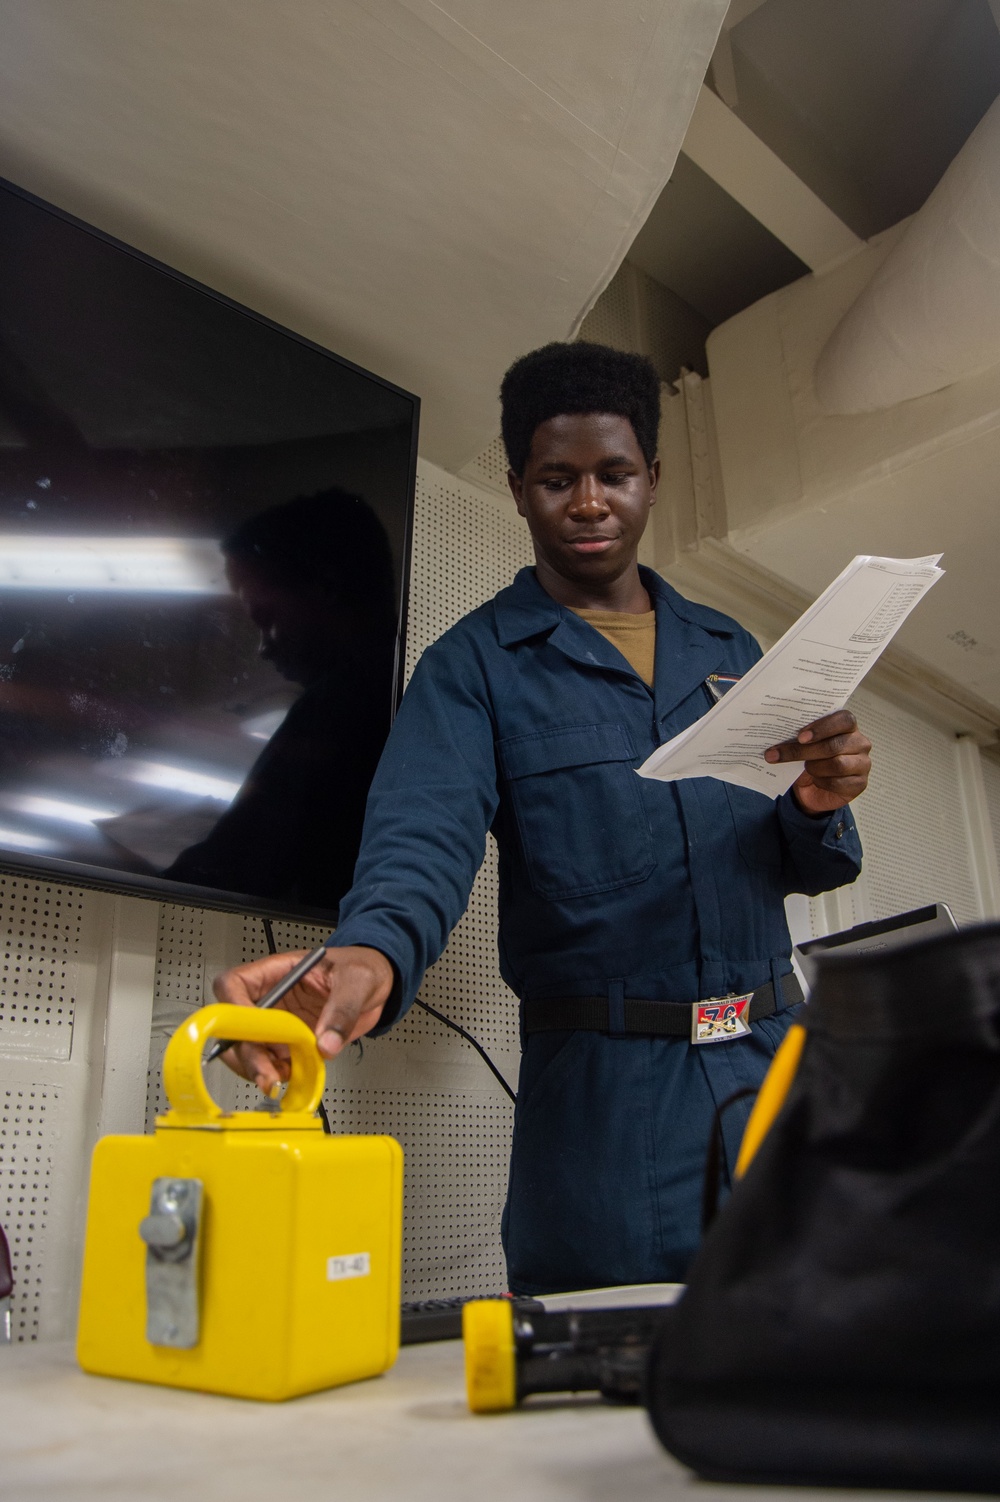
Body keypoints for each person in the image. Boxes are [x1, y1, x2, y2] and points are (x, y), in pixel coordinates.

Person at [214, 343, 871, 1294]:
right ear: (521, 488)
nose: (590, 501)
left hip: (779, 1064)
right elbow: (419, 840)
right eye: (558, 479)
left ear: (654, 478)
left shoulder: (733, 647)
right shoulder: (472, 668)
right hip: (606, 1098)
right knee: (611, 1379)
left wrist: (820, 801)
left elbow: (790, 860)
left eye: (615, 474)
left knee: (826, 1338)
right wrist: (370, 955)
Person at [165, 489, 397, 911]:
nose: (263, 649)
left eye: (266, 617)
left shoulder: (338, 708)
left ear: (325, 587)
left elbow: (239, 863)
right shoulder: (409, 698)